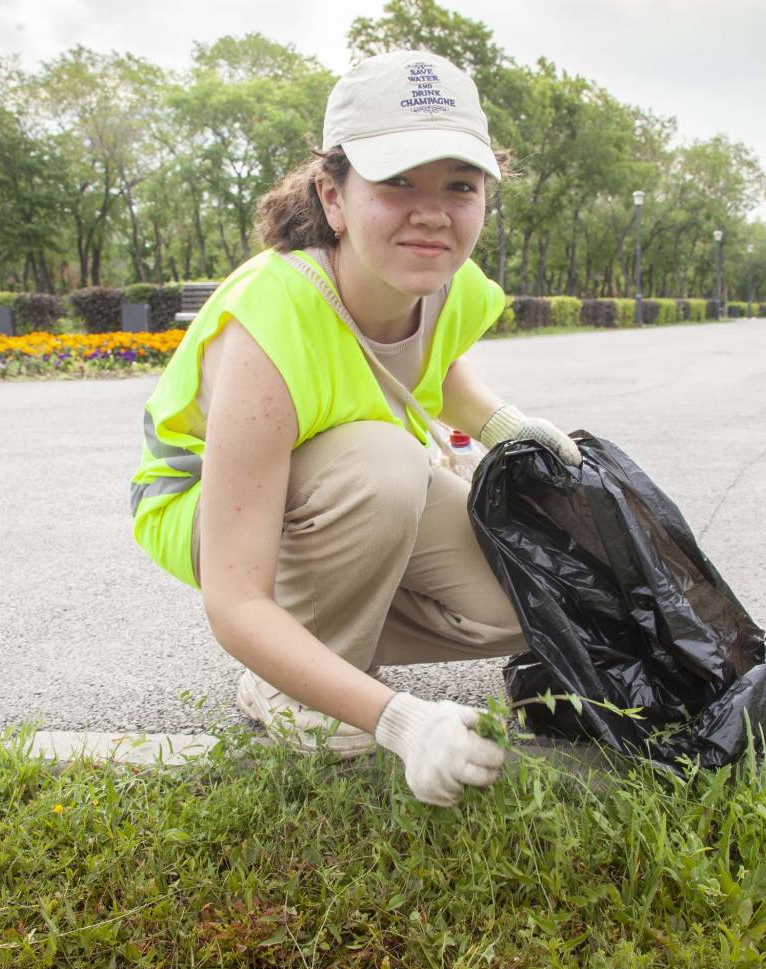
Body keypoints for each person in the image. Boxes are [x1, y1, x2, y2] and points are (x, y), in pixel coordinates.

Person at [130, 50, 583, 808]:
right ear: (333, 197)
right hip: (210, 508)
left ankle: (313, 644)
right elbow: (234, 600)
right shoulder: (271, 323)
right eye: (397, 181)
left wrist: (507, 425)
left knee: (519, 592)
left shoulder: (448, 281)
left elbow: (435, 368)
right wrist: (398, 719)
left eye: (460, 185)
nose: (432, 211)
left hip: (343, 494)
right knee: (384, 467)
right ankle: (291, 689)